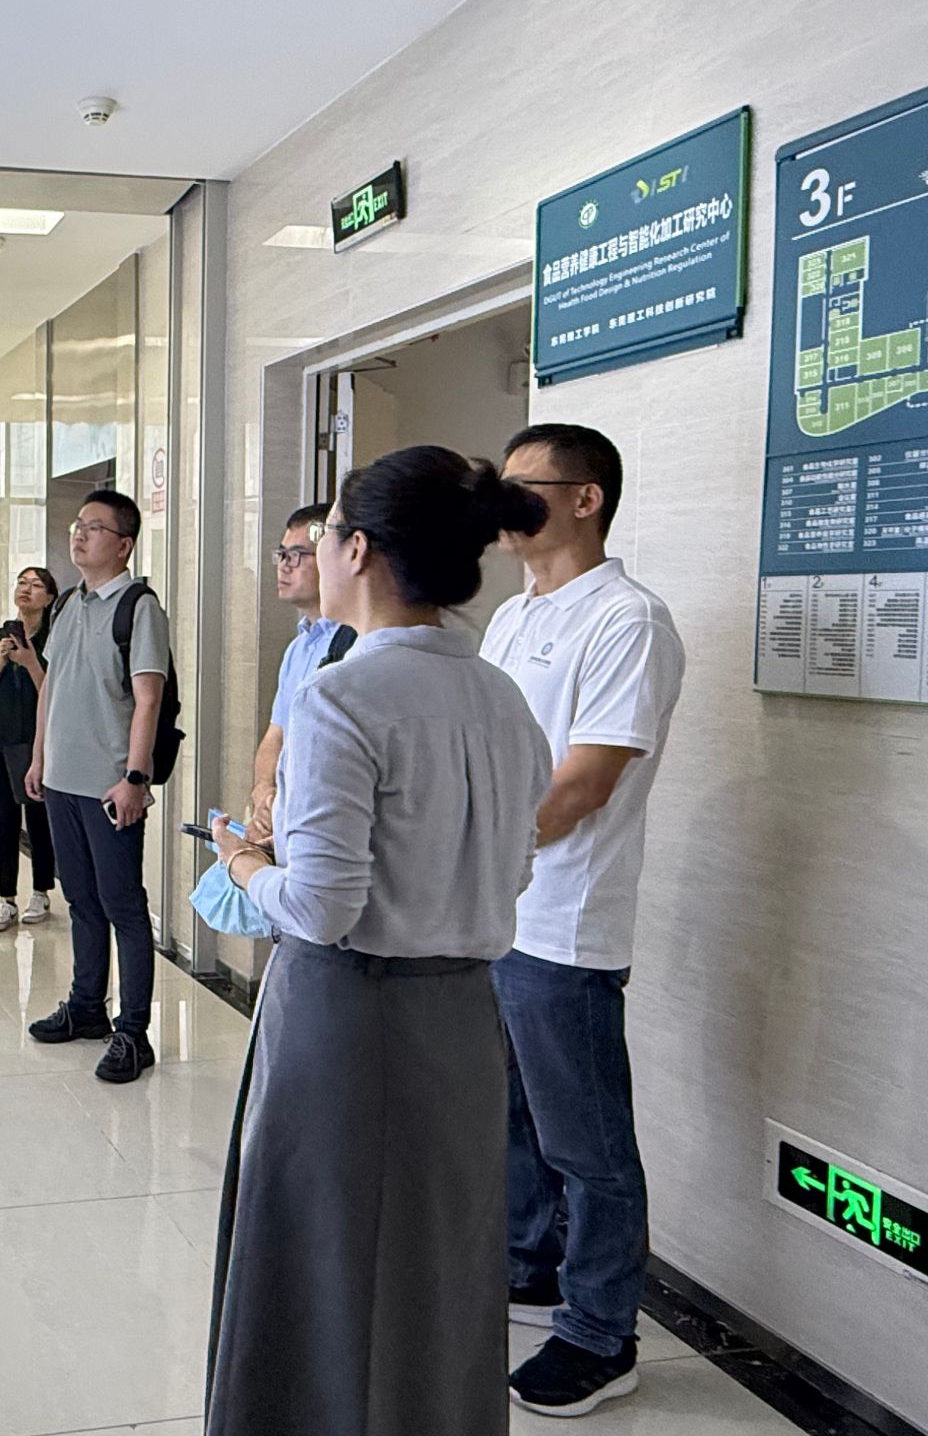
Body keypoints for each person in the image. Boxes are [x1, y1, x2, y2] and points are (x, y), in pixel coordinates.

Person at [206, 446, 552, 1436]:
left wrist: (242, 864)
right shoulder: (501, 697)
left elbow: (319, 908)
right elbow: (513, 869)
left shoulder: (340, 697)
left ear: (356, 550)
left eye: (318, 539)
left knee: (323, 1270)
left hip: (346, 1019)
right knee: (438, 1273)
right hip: (461, 1020)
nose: (312, 557)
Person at [481, 424, 686, 1419]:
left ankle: (602, 1333)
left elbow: (581, 784)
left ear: (585, 498)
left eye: (525, 485)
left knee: (587, 1141)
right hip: (496, 912)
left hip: (564, 923)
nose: (505, 504)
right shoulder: (511, 616)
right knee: (514, 1116)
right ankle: (531, 1266)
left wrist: (470, 854)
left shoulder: (626, 621)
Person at [24, 490, 170, 1084]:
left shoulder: (139, 607)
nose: (79, 536)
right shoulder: (67, 605)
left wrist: (135, 777)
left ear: (124, 544)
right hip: (61, 782)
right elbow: (51, 687)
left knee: (123, 907)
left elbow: (149, 699)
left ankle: (133, 1032)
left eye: (95, 528)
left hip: (110, 788)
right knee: (80, 901)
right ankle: (87, 1007)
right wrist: (39, 758)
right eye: (77, 525)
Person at [247, 503, 344, 843]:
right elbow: (276, 734)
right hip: (285, 819)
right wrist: (263, 793)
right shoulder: (298, 647)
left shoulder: (353, 640)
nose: (284, 566)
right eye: (282, 555)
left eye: (298, 555)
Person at [0, 565, 58, 931]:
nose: (26, 589)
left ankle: (41, 891)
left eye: (35, 585)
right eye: (22, 583)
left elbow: (53, 693)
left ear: (49, 598)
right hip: (0, 741)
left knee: (39, 821)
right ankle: (5, 898)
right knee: (4, 822)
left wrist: (30, 661)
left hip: (39, 744)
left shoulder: (53, 639)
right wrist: (1, 658)